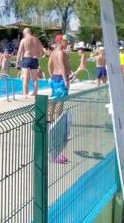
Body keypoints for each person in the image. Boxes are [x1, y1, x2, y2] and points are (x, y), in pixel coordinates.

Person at [47, 33, 73, 164]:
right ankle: (55, 125)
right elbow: (62, 67)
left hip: (54, 79)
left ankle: (49, 121)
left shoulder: (52, 53)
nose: (67, 44)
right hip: (61, 80)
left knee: (53, 102)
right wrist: (65, 80)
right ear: (61, 41)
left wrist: (52, 76)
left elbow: (49, 65)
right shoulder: (61, 53)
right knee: (60, 104)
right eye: (66, 42)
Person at [16, 28, 43, 96]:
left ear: (24, 33)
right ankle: (35, 92)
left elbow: (19, 52)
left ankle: (25, 93)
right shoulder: (36, 40)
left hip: (27, 59)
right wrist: (38, 59)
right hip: (35, 59)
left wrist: (17, 62)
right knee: (35, 78)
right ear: (30, 32)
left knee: (25, 77)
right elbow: (41, 50)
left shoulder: (24, 40)